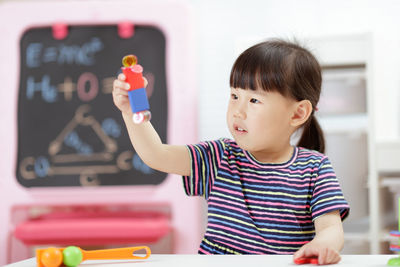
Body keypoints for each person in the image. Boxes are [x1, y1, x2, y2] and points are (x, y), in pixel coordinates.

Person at [112, 39, 350, 265]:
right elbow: (156, 155)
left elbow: (330, 228)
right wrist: (131, 112)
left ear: (298, 113)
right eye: (235, 96)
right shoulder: (219, 157)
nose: (238, 111)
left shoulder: (315, 169)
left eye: (254, 100)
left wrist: (322, 245)